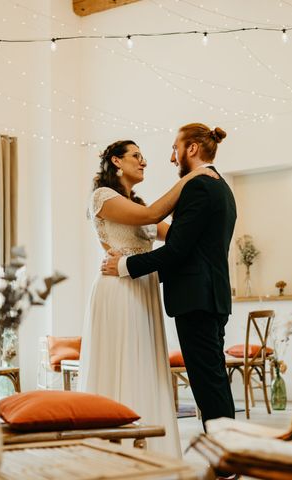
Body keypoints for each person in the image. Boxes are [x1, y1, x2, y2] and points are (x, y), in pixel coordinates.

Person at [78, 139, 218, 458]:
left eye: (143, 157)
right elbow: (154, 214)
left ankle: (150, 449)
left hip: (144, 288)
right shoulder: (103, 197)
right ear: (116, 161)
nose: (143, 162)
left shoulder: (136, 203)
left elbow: (178, 237)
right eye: (136, 156)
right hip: (117, 289)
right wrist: (191, 177)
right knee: (122, 361)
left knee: (145, 364)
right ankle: (116, 450)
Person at [102, 123, 237, 432]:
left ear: (191, 149)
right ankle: (228, 450)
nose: (172, 158)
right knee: (213, 380)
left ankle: (226, 456)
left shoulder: (199, 186)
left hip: (197, 298)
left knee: (208, 384)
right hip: (209, 296)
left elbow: (177, 251)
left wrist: (125, 266)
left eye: (175, 148)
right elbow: (187, 248)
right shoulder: (221, 186)